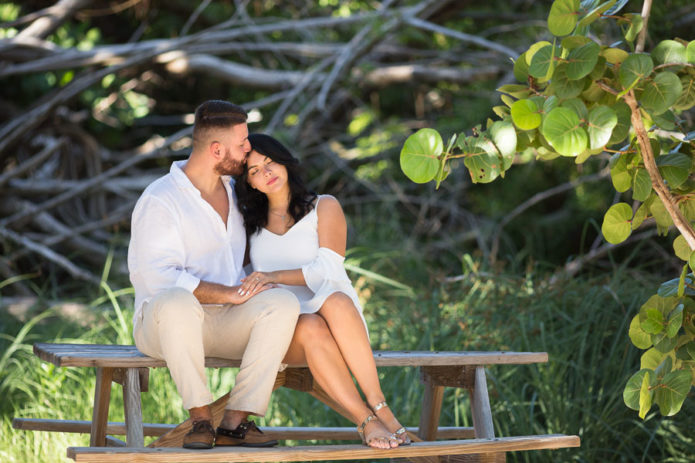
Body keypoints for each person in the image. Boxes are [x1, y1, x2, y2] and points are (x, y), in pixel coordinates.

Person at [127, 101, 302, 449]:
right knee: (177, 301)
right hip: (161, 325)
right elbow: (156, 278)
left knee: (281, 302)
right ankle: (201, 420)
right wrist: (227, 294)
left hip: (224, 322)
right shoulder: (161, 199)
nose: (249, 150)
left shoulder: (237, 193)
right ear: (217, 149)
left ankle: (236, 420)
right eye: (242, 144)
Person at [234, 133, 411, 449]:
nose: (266, 173)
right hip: (285, 330)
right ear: (250, 183)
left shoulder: (324, 207)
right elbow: (245, 278)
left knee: (335, 300)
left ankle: (380, 405)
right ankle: (366, 421)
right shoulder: (250, 226)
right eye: (254, 170)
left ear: (284, 161)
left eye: (270, 162)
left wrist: (272, 275)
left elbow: (327, 270)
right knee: (309, 324)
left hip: (340, 324)